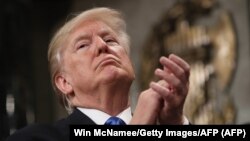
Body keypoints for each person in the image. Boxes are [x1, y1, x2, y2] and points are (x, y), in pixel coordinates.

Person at [6, 7, 190, 141]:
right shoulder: (35, 137)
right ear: (64, 82)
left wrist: (175, 123)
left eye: (110, 40)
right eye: (83, 45)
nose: (103, 46)